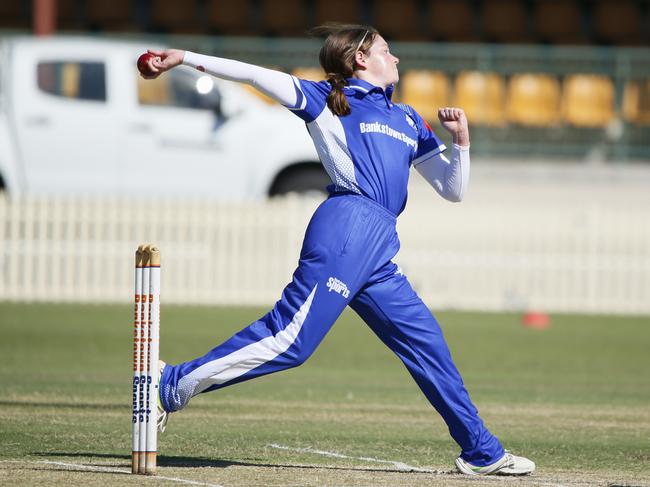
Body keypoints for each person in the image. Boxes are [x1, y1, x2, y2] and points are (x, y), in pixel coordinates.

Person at [141, 24, 535, 476]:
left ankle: (480, 452)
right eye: (388, 51)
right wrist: (185, 57)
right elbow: (254, 75)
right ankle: (170, 383)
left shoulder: (408, 119)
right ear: (361, 59)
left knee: (428, 344)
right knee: (292, 339)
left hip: (379, 243)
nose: (397, 59)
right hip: (347, 226)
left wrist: (461, 142)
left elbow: (453, 189)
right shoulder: (326, 100)